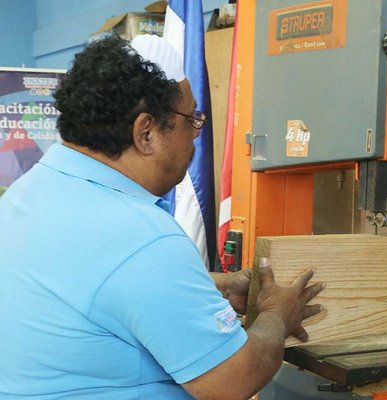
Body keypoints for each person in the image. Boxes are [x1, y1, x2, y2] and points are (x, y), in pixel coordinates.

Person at [0, 35, 324, 400]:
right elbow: (232, 380)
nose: (195, 137)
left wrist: (212, 285)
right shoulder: (141, 236)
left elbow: (94, 281)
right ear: (147, 133)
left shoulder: (31, 191)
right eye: (192, 120)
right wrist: (277, 315)